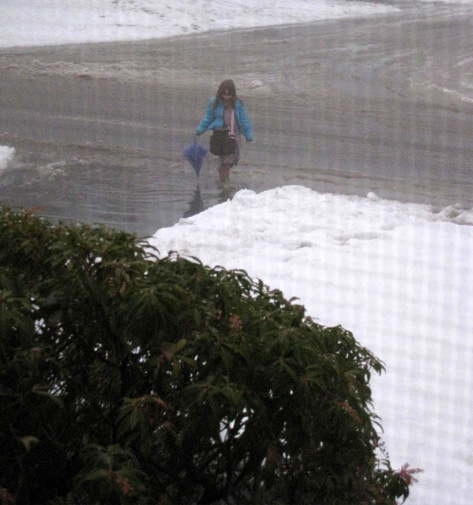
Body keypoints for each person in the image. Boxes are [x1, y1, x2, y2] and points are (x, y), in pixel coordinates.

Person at [196, 79, 253, 185]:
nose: (226, 97)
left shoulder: (238, 104)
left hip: (232, 135)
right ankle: (225, 184)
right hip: (219, 135)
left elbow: (244, 120)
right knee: (225, 160)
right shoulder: (214, 102)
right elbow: (208, 117)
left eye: (229, 95)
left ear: (233, 94)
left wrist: (248, 134)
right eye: (224, 94)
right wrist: (200, 129)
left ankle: (222, 178)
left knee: (230, 160)